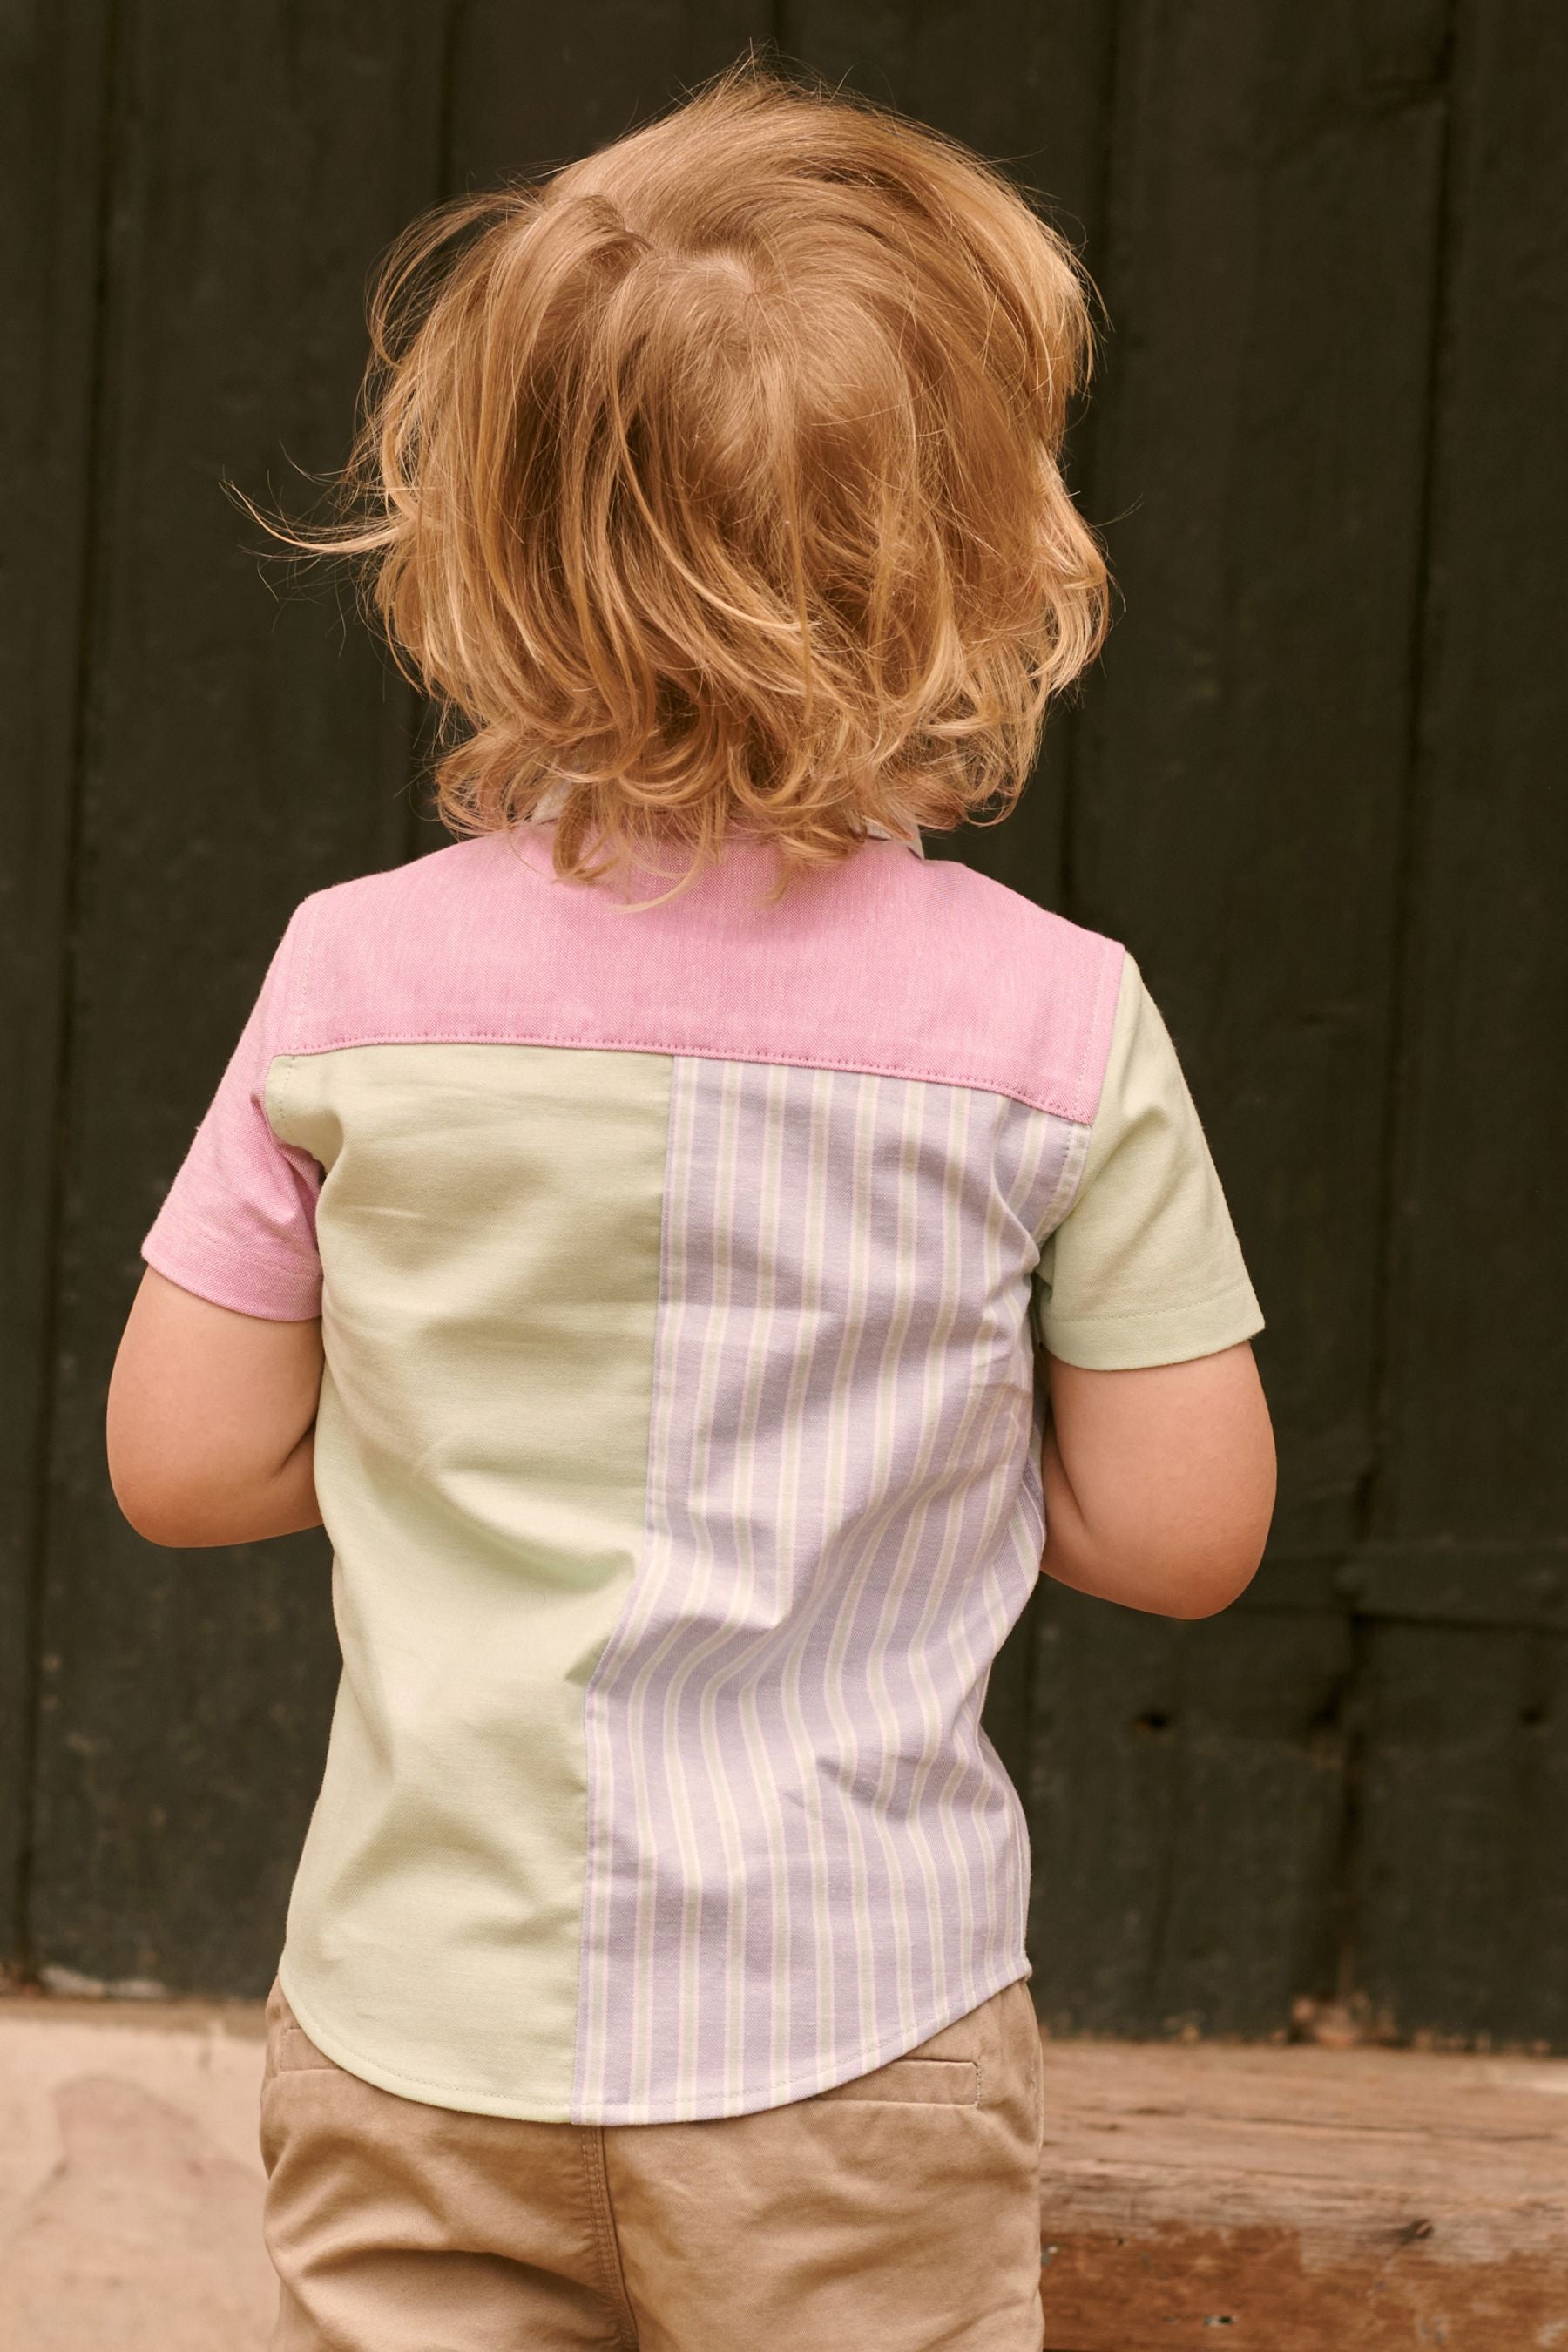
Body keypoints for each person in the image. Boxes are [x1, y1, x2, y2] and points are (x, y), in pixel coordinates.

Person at [105, 57, 1275, 2352]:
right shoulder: (1054, 1023)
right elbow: (1185, 1525)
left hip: (418, 2015)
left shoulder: (356, 976)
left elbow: (182, 1457)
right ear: (983, 560)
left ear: (485, 537)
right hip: (853, 2036)